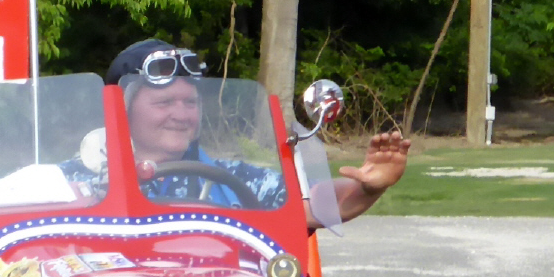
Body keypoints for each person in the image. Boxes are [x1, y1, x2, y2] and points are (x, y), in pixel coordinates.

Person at [102, 39, 410, 220]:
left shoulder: (234, 179)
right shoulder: (84, 182)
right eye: (165, 102)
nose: (181, 115)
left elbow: (315, 204)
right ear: (121, 111)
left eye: (190, 102)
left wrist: (368, 187)